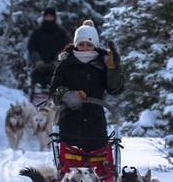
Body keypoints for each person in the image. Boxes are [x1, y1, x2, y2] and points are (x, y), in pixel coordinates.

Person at [50, 20, 124, 151]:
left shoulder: (103, 64)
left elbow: (115, 89)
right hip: (69, 123)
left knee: (98, 164)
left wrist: (113, 69)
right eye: (81, 44)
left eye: (89, 44)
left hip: (95, 124)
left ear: (94, 45)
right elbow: (54, 91)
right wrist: (67, 95)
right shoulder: (66, 64)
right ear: (76, 44)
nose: (85, 48)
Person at [27, 8, 70, 92]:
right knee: (36, 86)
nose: (49, 18)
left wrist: (58, 61)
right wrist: (37, 60)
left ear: (54, 17)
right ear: (43, 17)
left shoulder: (61, 33)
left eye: (50, 16)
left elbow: (66, 48)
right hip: (39, 66)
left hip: (56, 67)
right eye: (47, 16)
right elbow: (31, 47)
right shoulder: (37, 33)